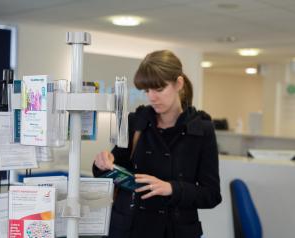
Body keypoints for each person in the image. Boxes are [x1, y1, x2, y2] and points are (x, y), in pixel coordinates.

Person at [93, 50, 222, 238]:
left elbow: (211, 195)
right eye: (147, 91)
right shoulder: (136, 121)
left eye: (159, 89)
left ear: (178, 83)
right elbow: (112, 172)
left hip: (174, 230)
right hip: (129, 228)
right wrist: (102, 163)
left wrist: (171, 188)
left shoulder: (202, 130)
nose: (152, 97)